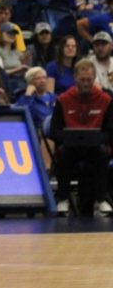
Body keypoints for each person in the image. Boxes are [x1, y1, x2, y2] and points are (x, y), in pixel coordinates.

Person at [50, 59, 112, 216]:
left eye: (89, 80)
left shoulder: (106, 100)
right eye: (82, 80)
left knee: (102, 153)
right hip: (70, 147)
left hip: (96, 147)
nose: (85, 83)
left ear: (94, 78)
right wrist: (67, 138)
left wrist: (99, 139)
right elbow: (54, 130)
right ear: (75, 78)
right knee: (63, 154)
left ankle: (101, 199)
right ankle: (63, 199)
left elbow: (110, 130)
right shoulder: (63, 100)